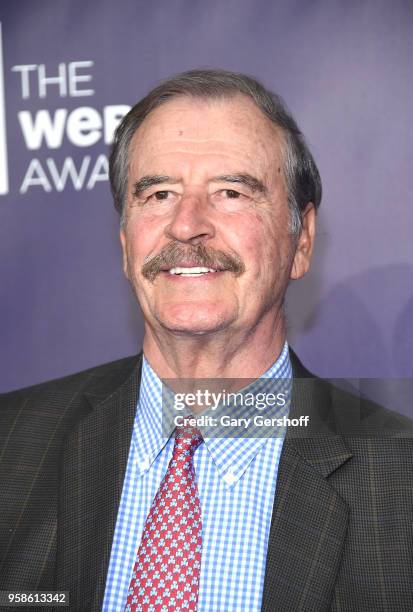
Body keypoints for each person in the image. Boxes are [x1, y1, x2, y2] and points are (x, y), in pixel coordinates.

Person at [0, 69, 412, 612]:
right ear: (126, 242)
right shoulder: (11, 445)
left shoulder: (400, 480)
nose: (187, 225)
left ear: (302, 239)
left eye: (231, 191)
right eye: (160, 193)